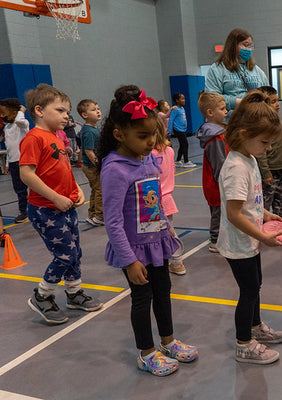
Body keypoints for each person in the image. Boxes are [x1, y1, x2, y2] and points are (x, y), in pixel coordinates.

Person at [97, 85, 197, 376]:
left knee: (164, 291)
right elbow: (112, 221)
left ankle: (167, 341)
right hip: (135, 251)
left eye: (153, 134)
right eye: (143, 136)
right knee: (142, 299)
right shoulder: (115, 168)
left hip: (157, 242)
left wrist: (168, 230)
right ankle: (146, 352)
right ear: (119, 134)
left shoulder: (147, 158)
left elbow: (154, 203)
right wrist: (129, 261)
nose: (151, 141)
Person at [20, 83, 103, 325]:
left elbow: (63, 169)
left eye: (67, 111)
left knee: (75, 252)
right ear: (39, 110)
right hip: (46, 210)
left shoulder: (57, 136)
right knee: (64, 255)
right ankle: (42, 296)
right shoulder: (34, 138)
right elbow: (27, 174)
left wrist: (76, 190)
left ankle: (74, 293)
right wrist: (54, 197)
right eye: (60, 110)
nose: (66, 116)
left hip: (66, 207)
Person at [217, 91, 282, 364]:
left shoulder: (249, 158)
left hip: (251, 240)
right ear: (244, 133)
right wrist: (263, 236)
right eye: (265, 142)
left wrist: (267, 215)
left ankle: (256, 327)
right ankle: (244, 344)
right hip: (239, 243)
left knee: (255, 285)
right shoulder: (236, 166)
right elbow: (234, 214)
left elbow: (250, 202)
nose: (268, 148)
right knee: (248, 291)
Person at [205, 28, 269, 119]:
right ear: (233, 46)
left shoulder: (256, 70)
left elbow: (268, 92)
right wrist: (240, 102)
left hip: (254, 121)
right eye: (245, 45)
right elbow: (212, 98)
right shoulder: (217, 69)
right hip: (230, 123)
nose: (248, 49)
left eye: (250, 46)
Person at [196, 91, 229, 253]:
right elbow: (219, 165)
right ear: (210, 112)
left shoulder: (219, 132)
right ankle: (215, 240)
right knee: (218, 212)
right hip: (216, 185)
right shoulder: (214, 137)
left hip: (218, 183)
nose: (226, 111)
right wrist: (227, 183)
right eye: (222, 109)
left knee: (222, 211)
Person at [153, 121, 186, 275]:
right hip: (167, 196)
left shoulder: (148, 154)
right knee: (167, 231)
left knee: (166, 233)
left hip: (155, 199)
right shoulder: (170, 151)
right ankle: (173, 262)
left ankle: (177, 262)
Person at [256, 86, 282, 219]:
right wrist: (266, 173)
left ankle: (280, 229)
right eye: (273, 102)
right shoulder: (262, 125)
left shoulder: (279, 122)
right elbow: (261, 154)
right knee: (265, 205)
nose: (277, 104)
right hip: (270, 173)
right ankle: (264, 233)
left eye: (277, 101)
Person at [0, 98, 29, 223]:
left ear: (14, 112)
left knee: (34, 186)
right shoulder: (7, 128)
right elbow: (9, 147)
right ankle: (23, 211)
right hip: (13, 163)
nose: (2, 116)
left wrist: (21, 111)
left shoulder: (22, 124)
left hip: (25, 162)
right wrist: (7, 163)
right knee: (19, 189)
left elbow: (19, 120)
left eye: (3, 112)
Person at [77, 98, 104, 226]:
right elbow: (88, 151)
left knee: (95, 189)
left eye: (98, 108)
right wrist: (98, 164)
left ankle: (92, 214)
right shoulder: (88, 131)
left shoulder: (92, 128)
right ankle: (100, 216)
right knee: (100, 190)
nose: (98, 111)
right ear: (85, 115)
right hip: (91, 166)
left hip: (90, 166)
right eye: (94, 110)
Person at [168, 93, 193, 168]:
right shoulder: (175, 110)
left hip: (183, 130)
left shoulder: (182, 109)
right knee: (185, 144)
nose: (184, 100)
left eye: (184, 98)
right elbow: (171, 120)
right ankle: (186, 161)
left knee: (182, 145)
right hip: (178, 130)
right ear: (177, 100)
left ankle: (178, 161)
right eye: (182, 99)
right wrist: (169, 131)